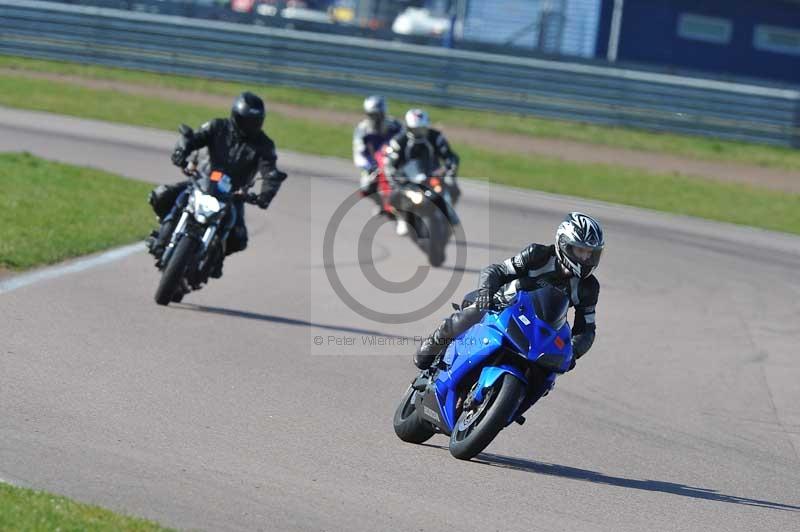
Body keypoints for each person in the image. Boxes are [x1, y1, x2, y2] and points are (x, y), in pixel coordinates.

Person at [414, 212, 604, 371]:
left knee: (552, 369)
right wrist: (486, 294)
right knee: (474, 311)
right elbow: (497, 271)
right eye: (581, 251)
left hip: (538, 329)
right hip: (503, 307)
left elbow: (586, 329)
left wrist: (574, 352)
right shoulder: (538, 255)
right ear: (564, 244)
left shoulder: (588, 287)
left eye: (591, 253)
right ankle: (436, 341)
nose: (586, 258)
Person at [146, 91, 288, 278]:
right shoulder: (217, 126)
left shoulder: (264, 145)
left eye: (254, 122)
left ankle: (214, 258)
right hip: (202, 183)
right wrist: (182, 150)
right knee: (161, 195)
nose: (249, 126)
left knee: (239, 238)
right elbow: (194, 138)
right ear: (235, 116)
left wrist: (265, 194)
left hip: (233, 195)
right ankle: (163, 234)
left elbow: (269, 171)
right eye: (245, 121)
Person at [384, 108, 460, 236]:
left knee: (452, 190)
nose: (419, 133)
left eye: (421, 129)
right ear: (408, 128)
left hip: (432, 175)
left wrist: (449, 170)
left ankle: (449, 213)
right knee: (394, 196)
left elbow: (450, 157)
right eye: (415, 129)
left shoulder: (436, 138)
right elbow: (390, 164)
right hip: (408, 178)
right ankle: (402, 217)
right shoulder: (398, 142)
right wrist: (396, 179)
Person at [352, 95, 403, 214]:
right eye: (372, 115)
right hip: (374, 165)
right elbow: (358, 154)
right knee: (366, 188)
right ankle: (381, 204)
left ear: (384, 113)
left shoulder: (395, 126)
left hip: (395, 161)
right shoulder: (362, 130)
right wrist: (370, 167)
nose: (376, 118)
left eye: (378, 115)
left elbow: (406, 142)